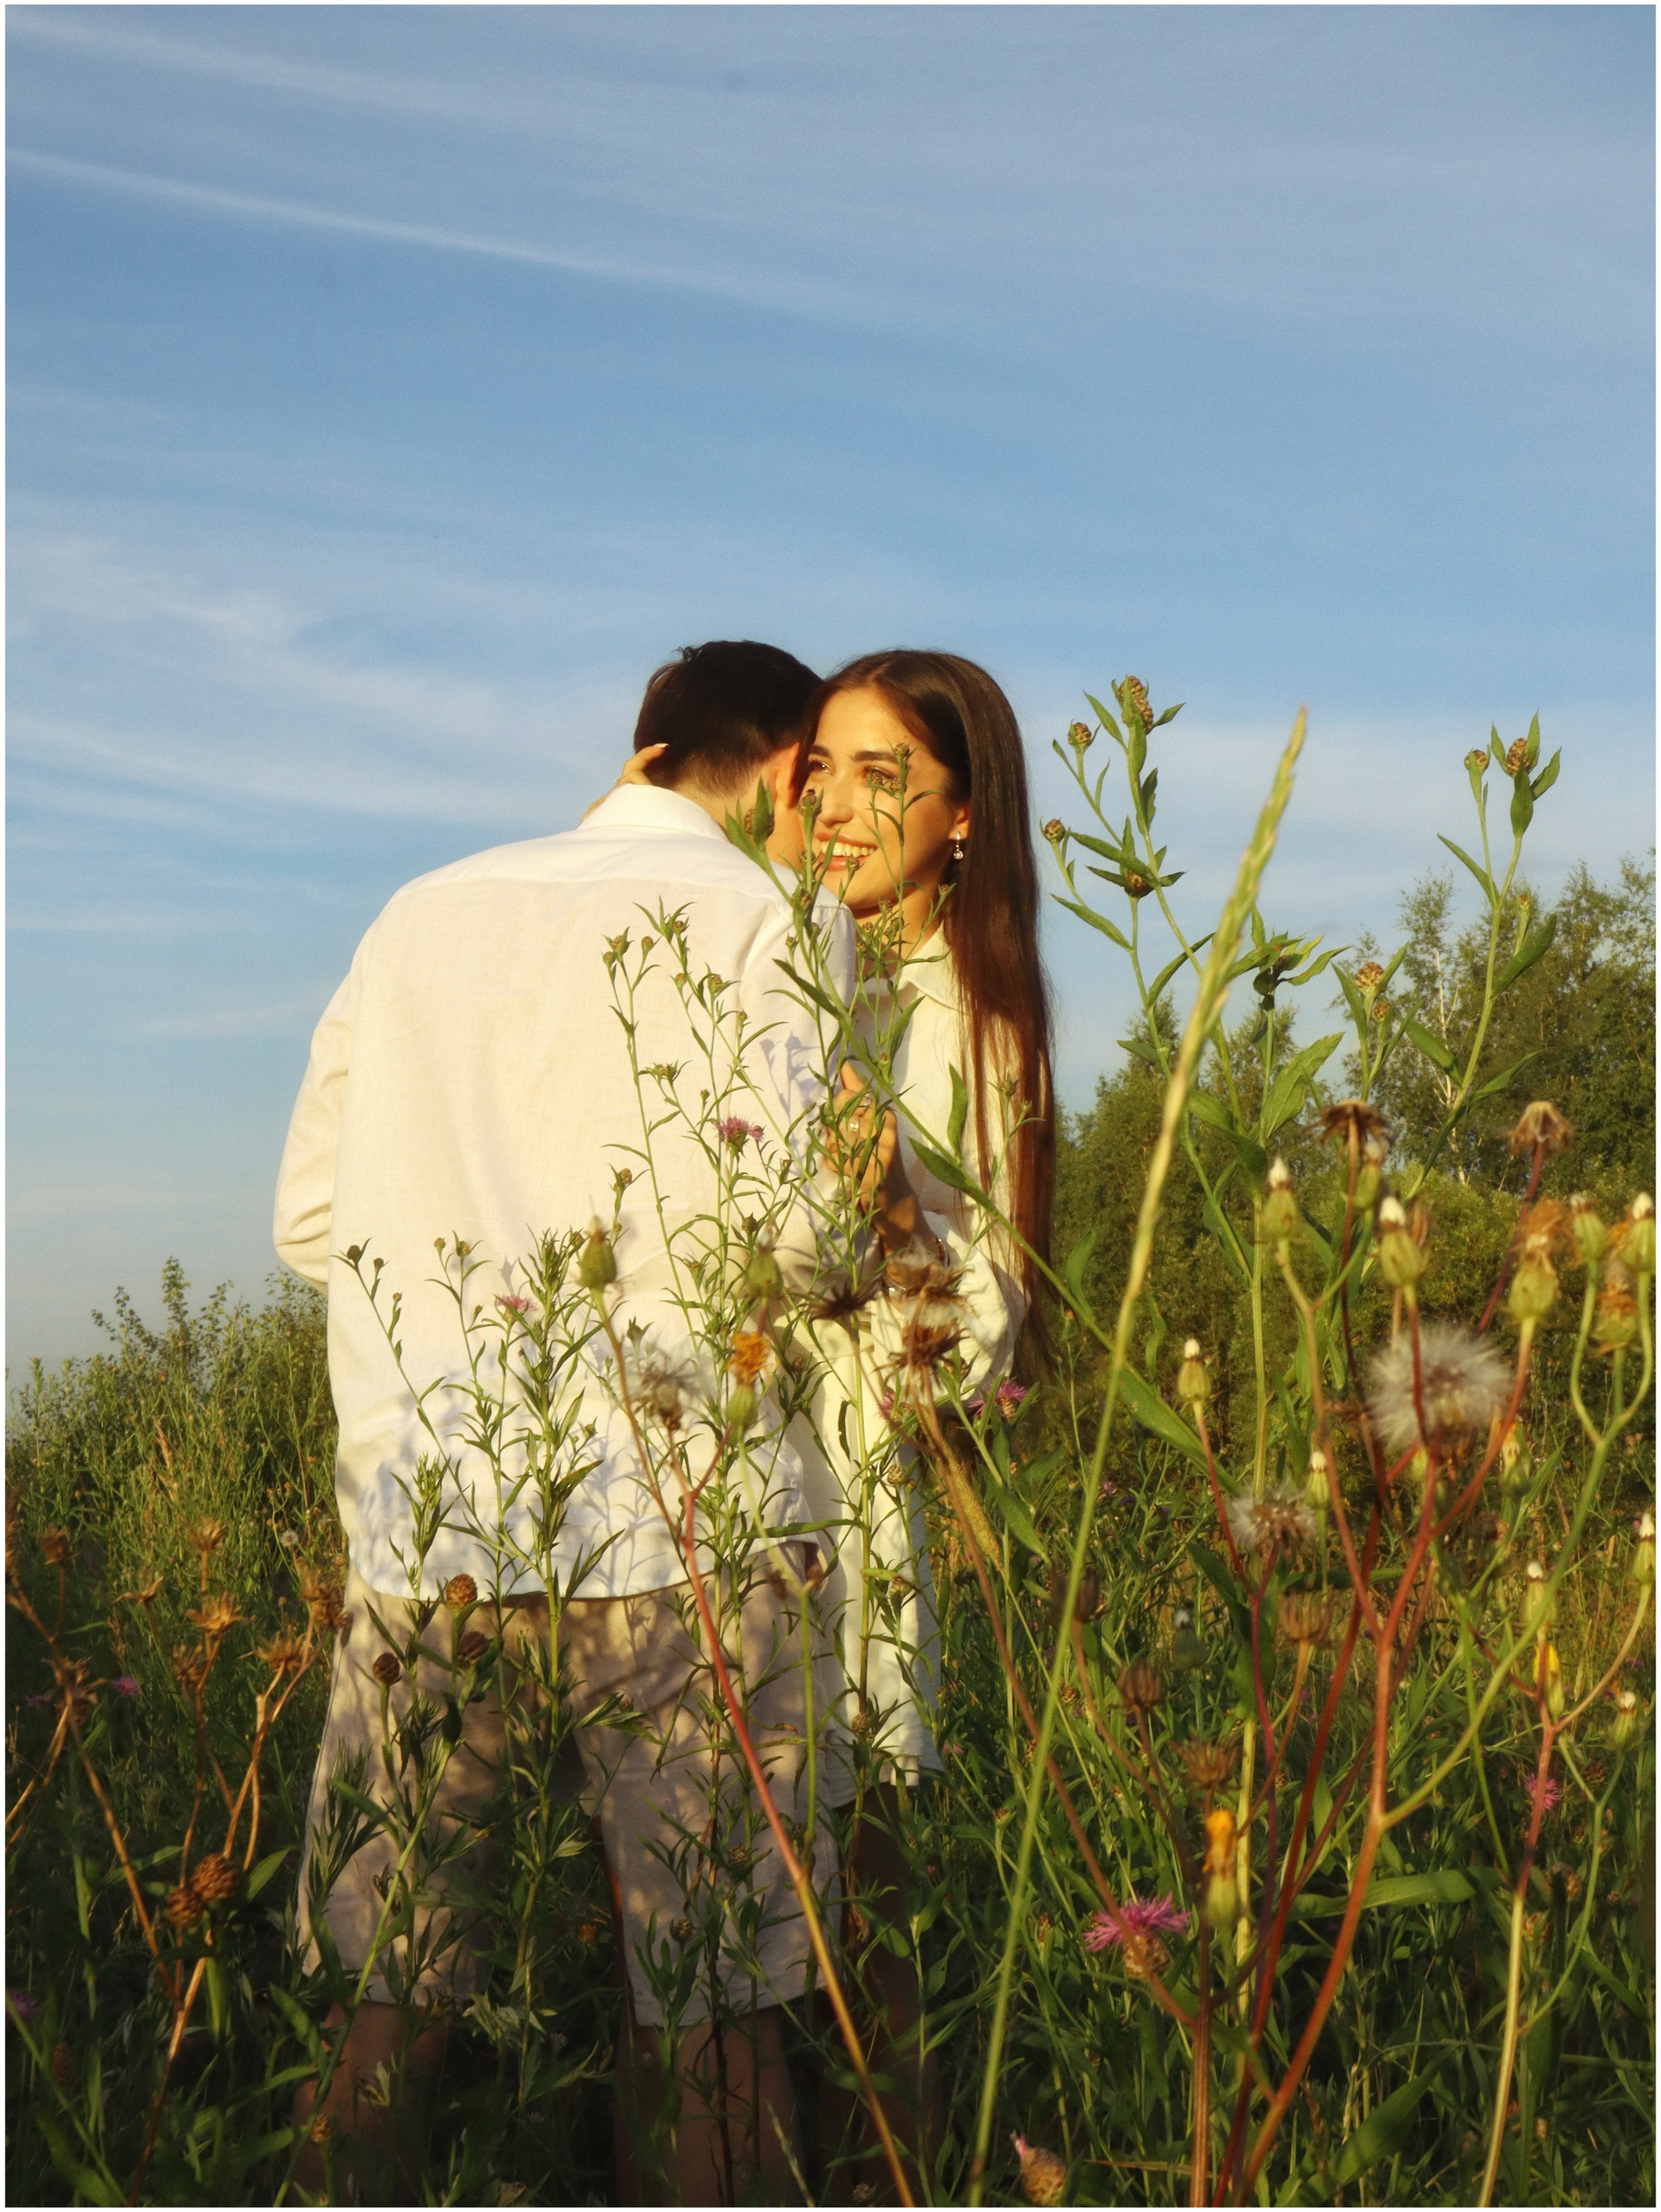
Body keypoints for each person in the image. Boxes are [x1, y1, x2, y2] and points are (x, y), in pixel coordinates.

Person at [273, 640, 877, 2204]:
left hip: (430, 1532)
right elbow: (797, 1227)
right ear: (786, 771)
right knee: (716, 2020)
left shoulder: (420, 911)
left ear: (642, 744)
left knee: (392, 2003)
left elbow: (310, 1218)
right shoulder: (775, 913)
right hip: (693, 1526)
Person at [790, 650, 1056, 2189]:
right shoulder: (812, 968)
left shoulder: (972, 1014)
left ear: (962, 814)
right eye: (818, 766)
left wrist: (889, 1205)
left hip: (851, 1494)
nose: (835, 803)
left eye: (883, 773)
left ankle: (892, 2176)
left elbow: (981, 1335)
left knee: (858, 1923)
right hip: (741, 1470)